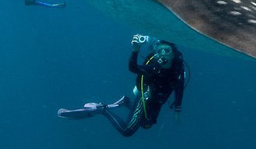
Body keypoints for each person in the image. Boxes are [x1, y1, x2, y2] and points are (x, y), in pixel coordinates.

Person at [58, 34, 186, 137]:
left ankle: (125, 103)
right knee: (126, 131)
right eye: (160, 50)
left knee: (147, 125)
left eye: (167, 50)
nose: (163, 54)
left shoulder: (178, 68)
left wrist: (178, 109)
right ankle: (102, 109)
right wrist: (135, 50)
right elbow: (133, 68)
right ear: (156, 52)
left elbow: (179, 87)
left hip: (158, 101)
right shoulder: (154, 67)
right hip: (145, 99)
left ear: (173, 53)